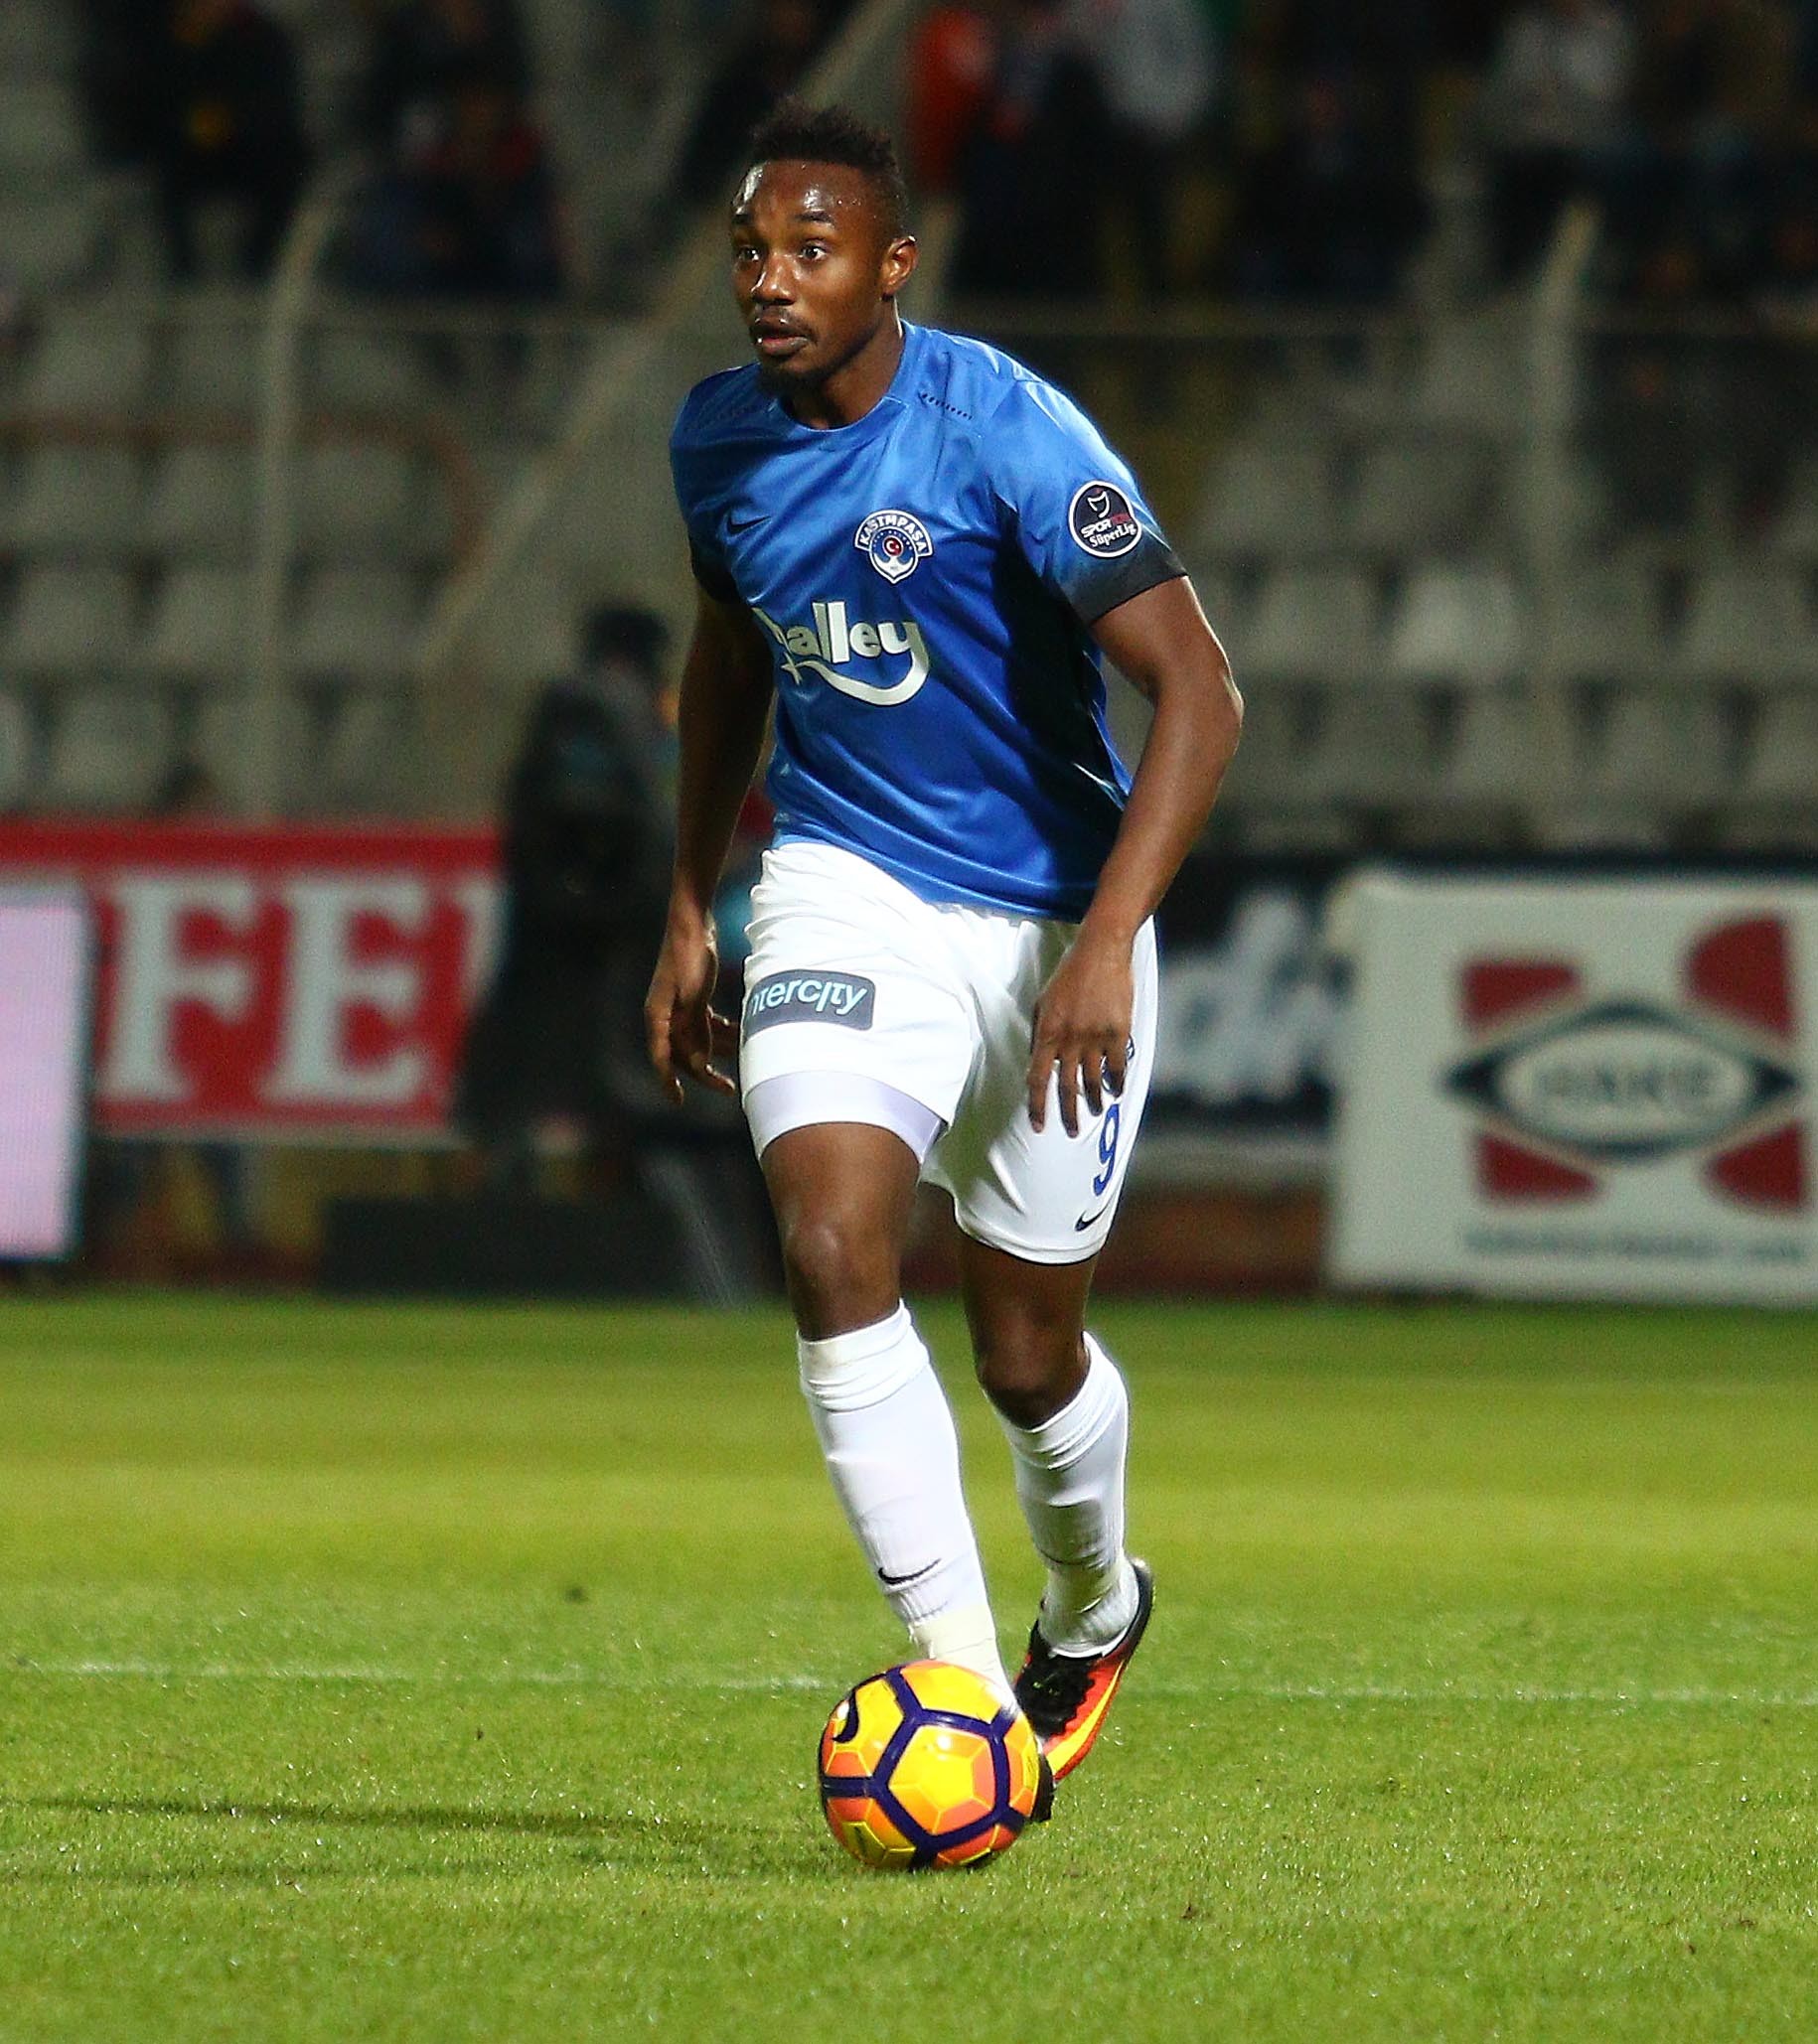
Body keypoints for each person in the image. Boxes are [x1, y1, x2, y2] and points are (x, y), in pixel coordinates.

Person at [647, 102, 1242, 1801]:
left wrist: (1106, 942)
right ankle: (965, 1691)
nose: (771, 281)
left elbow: (1201, 693)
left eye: (810, 249)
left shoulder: (1004, 430)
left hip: (1052, 918)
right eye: (751, 251)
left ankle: (1093, 1601)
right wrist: (690, 899)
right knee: (833, 1246)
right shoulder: (713, 442)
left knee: (1023, 1358)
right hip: (840, 883)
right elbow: (731, 656)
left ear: (892, 266)